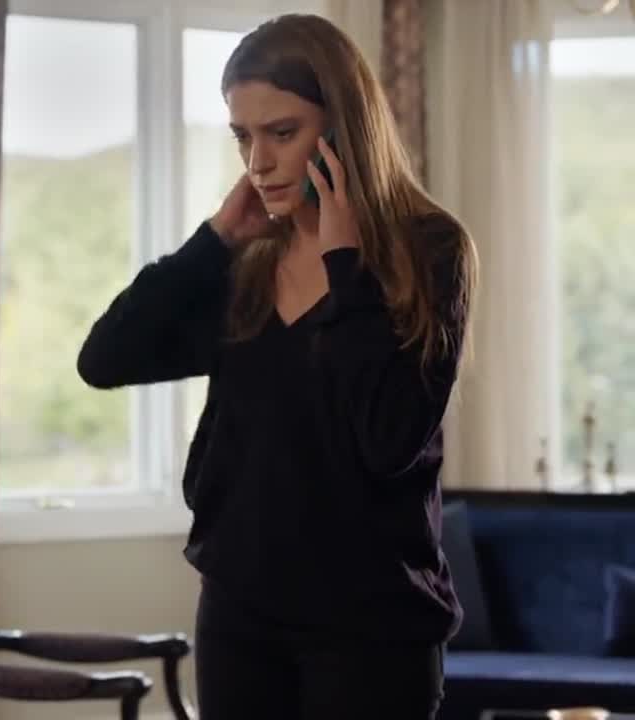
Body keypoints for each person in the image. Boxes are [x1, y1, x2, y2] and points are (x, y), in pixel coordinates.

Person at [77, 14, 476, 720]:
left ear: (343, 130)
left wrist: (345, 262)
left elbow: (389, 439)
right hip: (240, 614)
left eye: (281, 133)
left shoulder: (430, 251)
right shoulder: (247, 262)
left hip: (373, 628)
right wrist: (213, 240)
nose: (257, 161)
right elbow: (104, 359)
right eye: (242, 136)